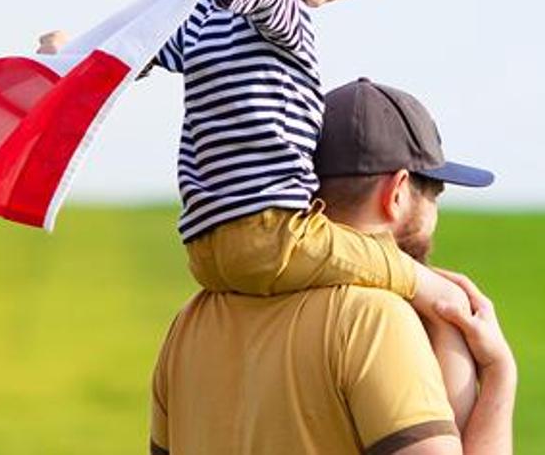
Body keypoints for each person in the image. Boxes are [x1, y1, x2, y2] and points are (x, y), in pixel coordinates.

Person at [40, 0, 474, 322]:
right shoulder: (282, 0)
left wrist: (76, 57)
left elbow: (139, 52)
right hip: (273, 230)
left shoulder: (204, 18)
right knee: (392, 267)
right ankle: (445, 304)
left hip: (207, 245)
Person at [149, 78, 517, 454]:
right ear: (397, 192)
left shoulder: (189, 323)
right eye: (433, 194)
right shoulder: (372, 319)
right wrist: (500, 379)